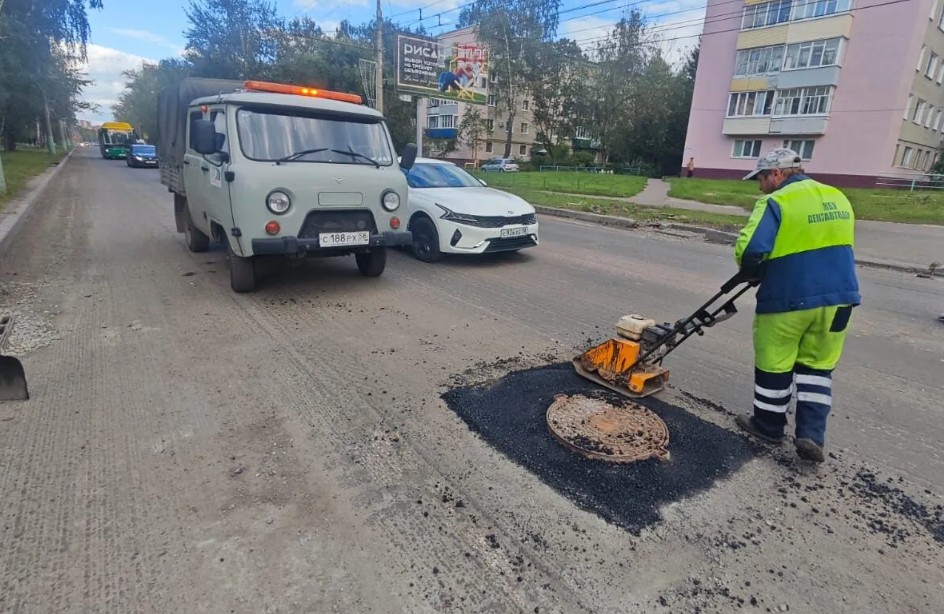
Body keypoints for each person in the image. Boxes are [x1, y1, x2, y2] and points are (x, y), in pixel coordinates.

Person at [733, 148, 860, 463]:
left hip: (790, 297)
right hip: (840, 299)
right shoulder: (838, 197)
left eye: (761, 179)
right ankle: (811, 435)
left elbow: (750, 250)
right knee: (817, 367)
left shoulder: (777, 201)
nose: (760, 186)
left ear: (776, 174)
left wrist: (752, 272)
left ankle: (768, 425)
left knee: (774, 362)